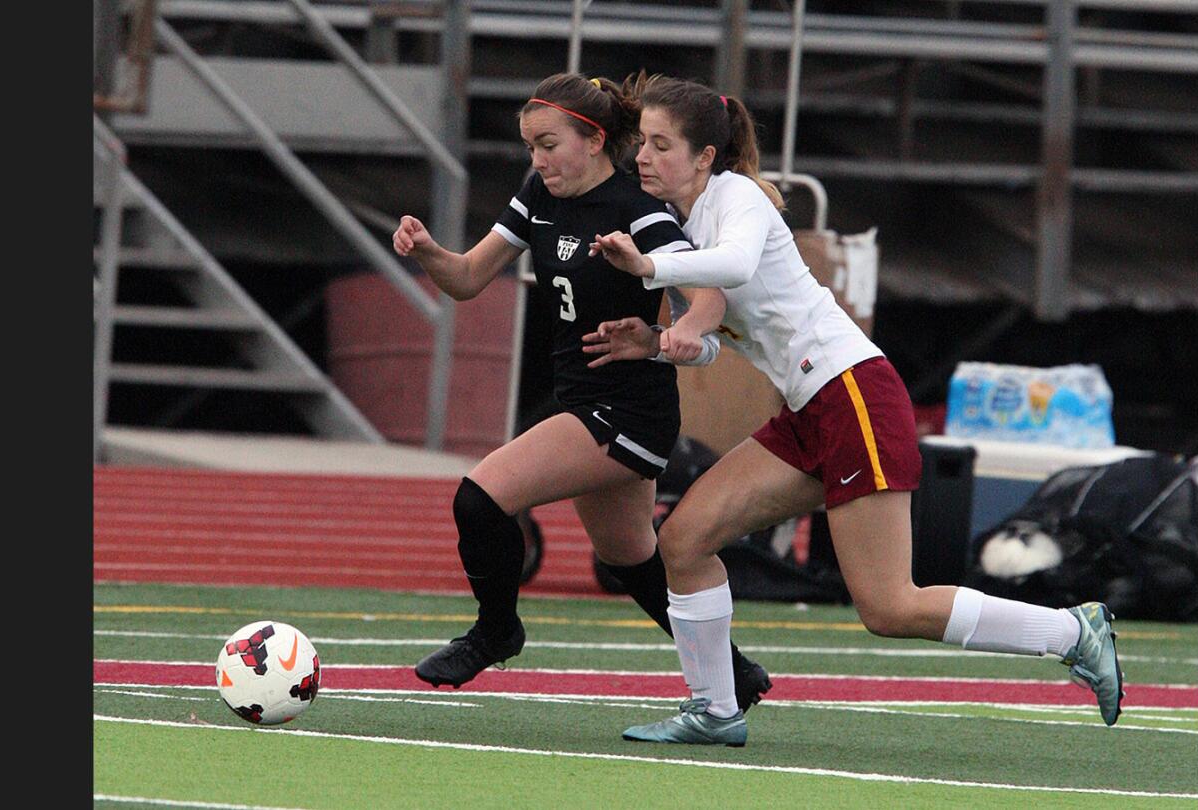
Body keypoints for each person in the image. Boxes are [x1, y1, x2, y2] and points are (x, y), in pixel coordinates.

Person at [582, 73, 1124, 747]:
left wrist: (649, 271)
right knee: (684, 541)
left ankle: (1073, 631)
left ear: (705, 158)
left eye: (662, 145)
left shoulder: (737, 198)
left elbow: (738, 262)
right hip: (812, 410)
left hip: (854, 395)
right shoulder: (685, 230)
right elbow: (713, 348)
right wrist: (655, 345)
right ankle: (715, 709)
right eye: (644, 143)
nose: (643, 158)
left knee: (888, 605)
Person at [389, 72, 772, 713]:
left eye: (548, 144)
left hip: (627, 408)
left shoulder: (637, 211)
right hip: (584, 399)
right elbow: (466, 279)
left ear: (593, 140)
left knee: (481, 498)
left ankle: (496, 631)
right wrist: (429, 251)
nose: (537, 160)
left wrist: (667, 337)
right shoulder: (540, 192)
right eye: (530, 147)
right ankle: (735, 673)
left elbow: (709, 292)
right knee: (630, 556)